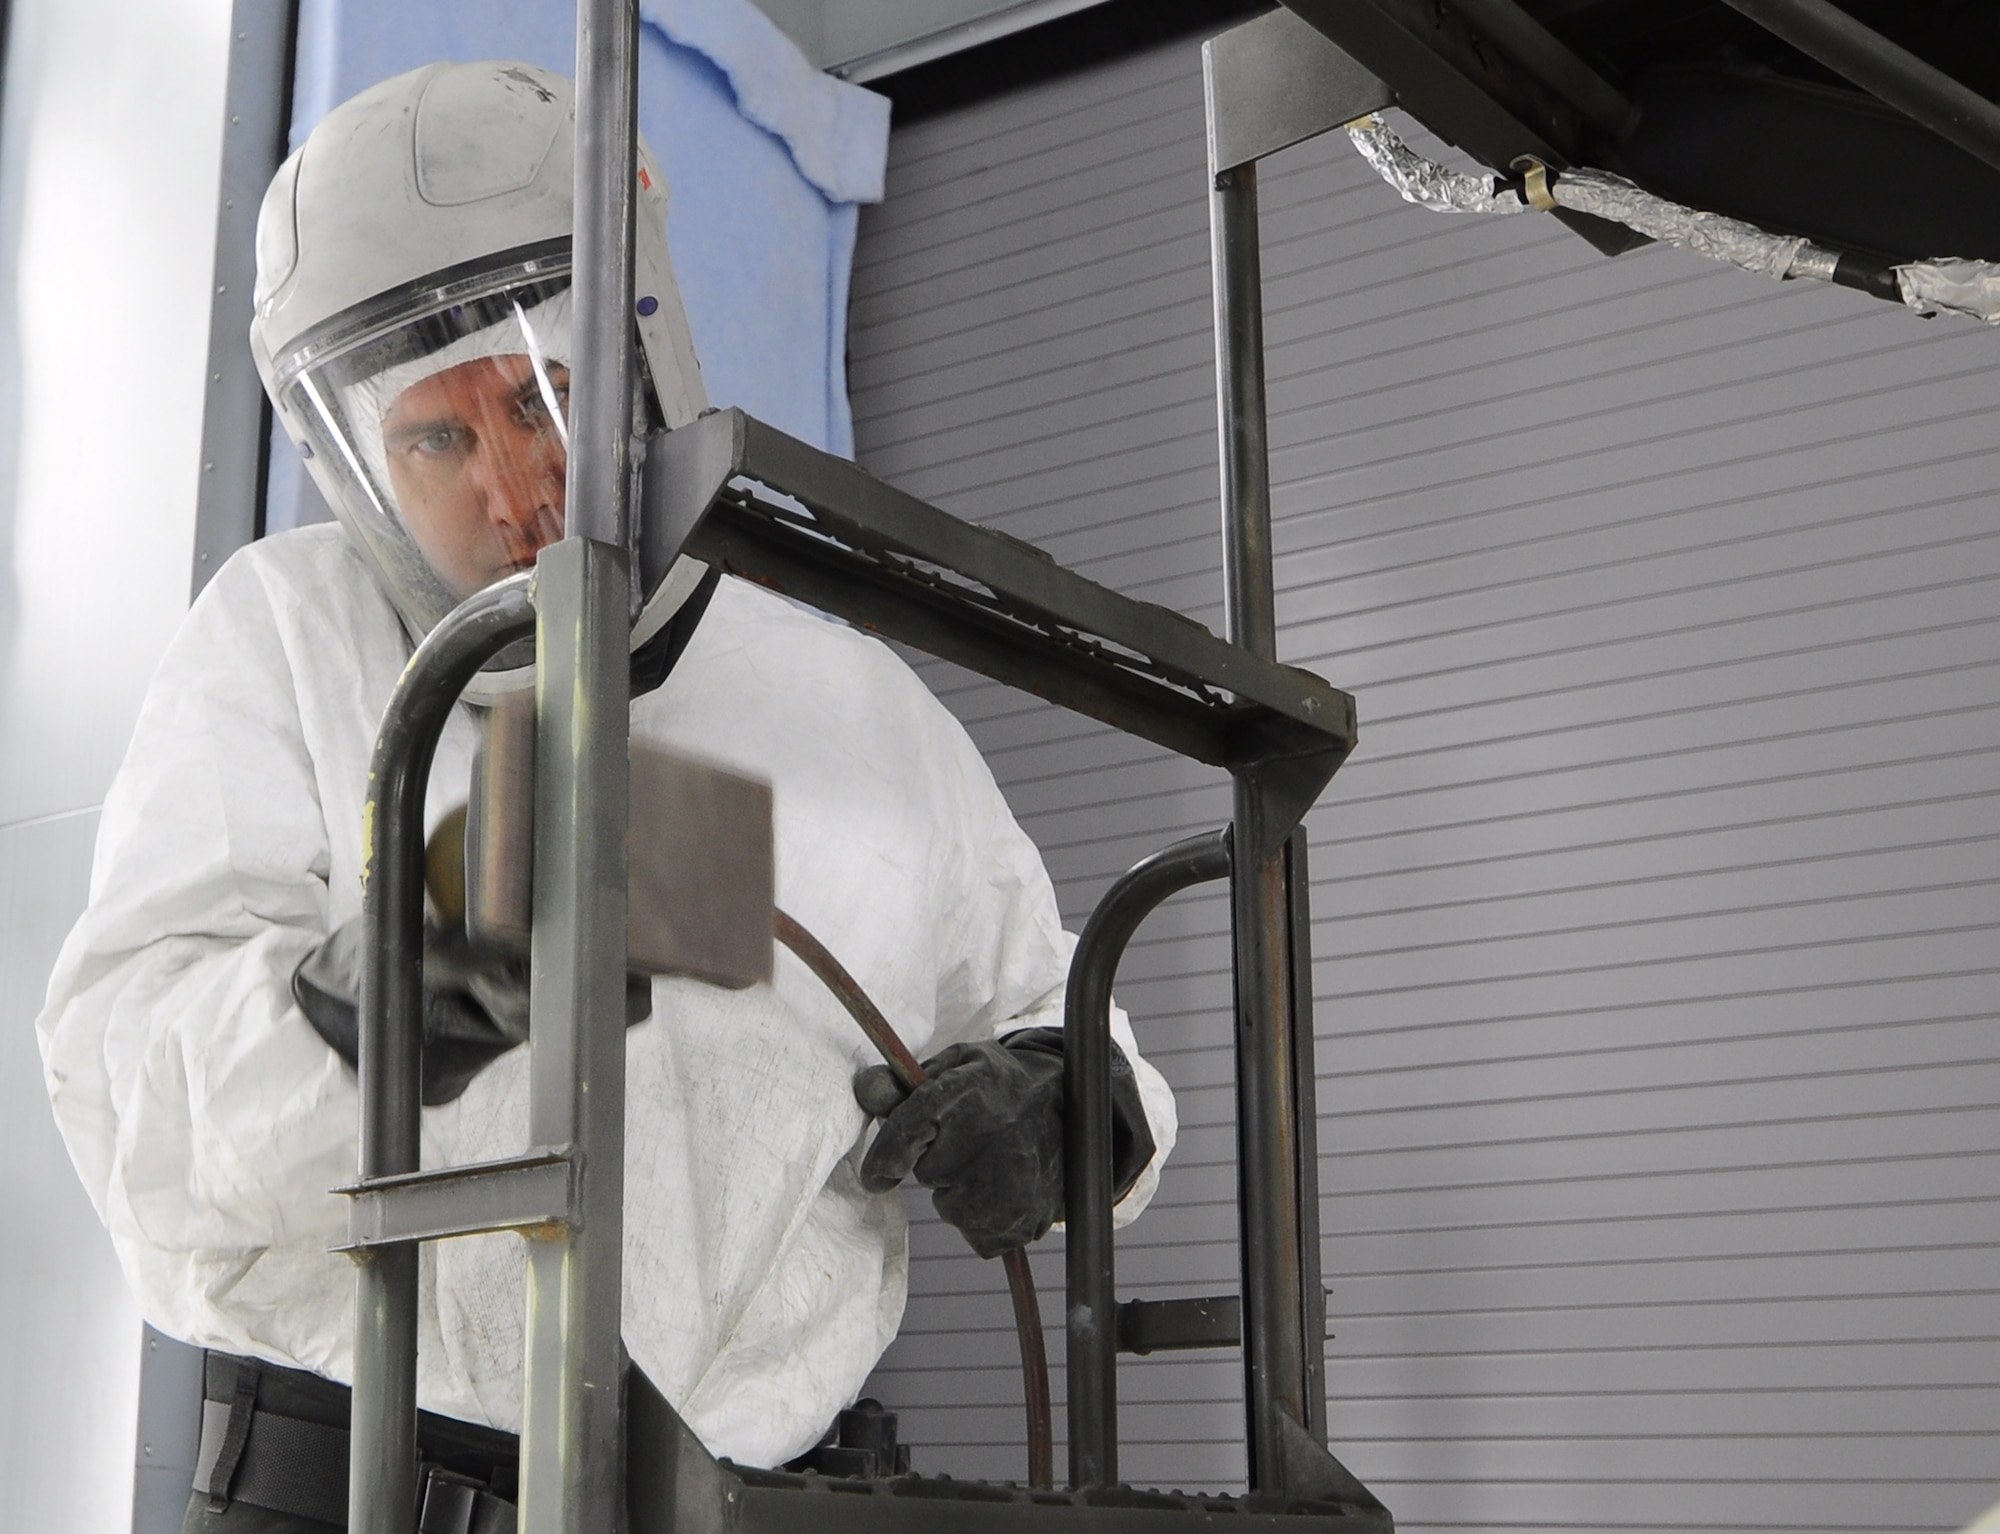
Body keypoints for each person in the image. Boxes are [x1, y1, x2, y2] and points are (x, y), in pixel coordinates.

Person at [36, 59, 1174, 1530]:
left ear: (639, 363)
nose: (514, 490)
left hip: (751, 1492)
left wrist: (1078, 1108)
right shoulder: (288, 640)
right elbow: (124, 1085)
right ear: (351, 454)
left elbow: (1055, 1004)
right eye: (437, 440)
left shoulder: (842, 702)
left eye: (539, 398)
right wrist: (367, 1001)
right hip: (367, 1477)